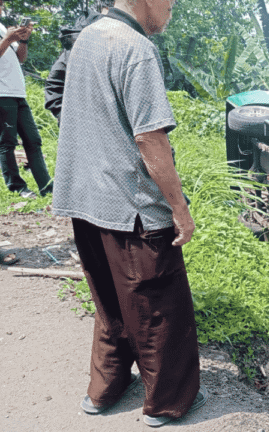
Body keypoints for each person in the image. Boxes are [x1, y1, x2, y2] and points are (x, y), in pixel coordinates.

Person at [51, 0, 206, 427]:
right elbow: (149, 139)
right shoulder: (135, 48)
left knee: (110, 300)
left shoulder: (88, 37)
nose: (172, 10)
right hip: (131, 207)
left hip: (85, 201)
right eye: (170, 3)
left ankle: (104, 391)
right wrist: (180, 209)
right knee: (160, 308)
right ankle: (169, 403)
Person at [0, 0, 53, 199]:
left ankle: (46, 186)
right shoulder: (5, 32)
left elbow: (21, 58)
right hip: (2, 94)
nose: (1, 8)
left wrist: (22, 40)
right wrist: (7, 38)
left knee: (33, 140)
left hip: (18, 93)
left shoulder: (2, 27)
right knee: (7, 142)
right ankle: (17, 187)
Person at [44, 0, 115, 122]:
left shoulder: (82, 33)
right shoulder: (105, 34)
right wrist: (69, 119)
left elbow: (54, 82)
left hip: (87, 127)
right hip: (94, 127)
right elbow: (54, 84)